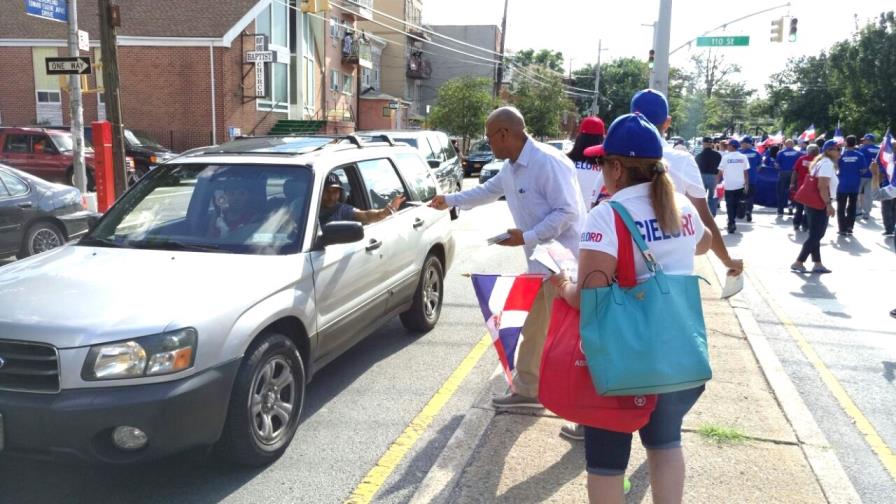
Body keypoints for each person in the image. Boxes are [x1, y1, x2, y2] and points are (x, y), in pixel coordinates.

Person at [552, 113, 712, 504]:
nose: (600, 170)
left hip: (624, 360)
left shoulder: (608, 216)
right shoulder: (680, 207)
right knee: (666, 443)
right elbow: (705, 243)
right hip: (678, 355)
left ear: (618, 168)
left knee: (606, 464)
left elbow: (589, 299)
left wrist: (561, 284)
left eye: (603, 162)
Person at [429, 106, 586, 411]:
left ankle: (580, 403)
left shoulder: (548, 162)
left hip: (565, 264)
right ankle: (529, 390)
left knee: (566, 336)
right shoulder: (511, 167)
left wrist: (525, 237)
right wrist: (448, 201)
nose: (489, 144)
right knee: (535, 327)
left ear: (505, 133)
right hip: (541, 263)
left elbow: (568, 212)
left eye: (490, 138)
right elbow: (487, 191)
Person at [791, 140, 840, 274]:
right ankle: (798, 262)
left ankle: (817, 263)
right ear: (829, 150)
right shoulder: (827, 164)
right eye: (838, 149)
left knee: (815, 235)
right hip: (820, 202)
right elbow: (822, 186)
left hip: (813, 202)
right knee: (817, 235)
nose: (840, 152)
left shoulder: (822, 162)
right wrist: (828, 204)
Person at [319, 172, 405, 225]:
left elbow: (366, 215)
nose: (331, 196)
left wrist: (385, 212)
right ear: (319, 192)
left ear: (340, 193)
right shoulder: (308, 208)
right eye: (327, 191)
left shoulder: (343, 210)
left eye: (335, 191)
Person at [569, 116, 606, 205]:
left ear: (579, 138)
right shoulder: (607, 167)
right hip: (597, 215)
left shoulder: (567, 162)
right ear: (602, 139)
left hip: (570, 216)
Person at [718, 139, 750, 233]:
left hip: (729, 185)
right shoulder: (743, 157)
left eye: (728, 145)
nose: (727, 147)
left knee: (729, 205)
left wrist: (716, 183)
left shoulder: (725, 157)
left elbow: (720, 172)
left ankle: (731, 222)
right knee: (736, 204)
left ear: (732, 146)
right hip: (740, 185)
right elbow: (746, 172)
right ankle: (732, 221)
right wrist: (746, 184)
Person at [836, 135, 865, 236]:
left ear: (845, 142)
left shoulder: (841, 155)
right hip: (854, 184)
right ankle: (850, 227)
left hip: (842, 185)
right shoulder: (860, 155)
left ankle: (842, 228)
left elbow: (835, 167)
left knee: (841, 207)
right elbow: (864, 170)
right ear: (855, 142)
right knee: (852, 207)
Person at [791, 145, 819, 232]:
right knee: (809, 208)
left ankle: (796, 224)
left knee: (799, 207)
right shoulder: (819, 161)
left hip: (801, 187)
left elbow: (795, 172)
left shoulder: (802, 159)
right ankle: (805, 225)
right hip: (813, 188)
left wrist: (792, 183)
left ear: (808, 151)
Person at [695, 136, 722, 216]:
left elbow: (696, 168)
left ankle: (700, 214)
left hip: (701, 177)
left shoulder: (699, 155)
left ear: (703, 143)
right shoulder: (717, 155)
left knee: (700, 196)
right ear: (711, 144)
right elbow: (720, 168)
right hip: (714, 177)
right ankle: (712, 215)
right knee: (713, 197)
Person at [738, 136, 762, 222]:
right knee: (750, 196)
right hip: (752, 178)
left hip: (740, 178)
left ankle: (741, 212)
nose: (741, 144)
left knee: (740, 195)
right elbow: (759, 166)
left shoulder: (739, 153)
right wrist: (753, 172)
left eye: (742, 143)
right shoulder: (757, 153)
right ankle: (748, 211)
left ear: (746, 143)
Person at [775, 139, 802, 215]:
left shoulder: (780, 153)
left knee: (781, 192)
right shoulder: (798, 153)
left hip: (783, 173)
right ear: (793, 144)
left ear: (785, 145)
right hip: (794, 174)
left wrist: (780, 168)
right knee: (792, 192)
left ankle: (780, 210)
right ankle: (791, 207)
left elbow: (776, 164)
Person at [858, 133, 880, 220]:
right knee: (869, 195)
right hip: (873, 175)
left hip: (862, 174)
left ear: (868, 140)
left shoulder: (863, 149)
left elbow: (859, 161)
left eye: (864, 140)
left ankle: (858, 210)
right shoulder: (879, 149)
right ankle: (867, 213)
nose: (863, 141)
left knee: (858, 193)